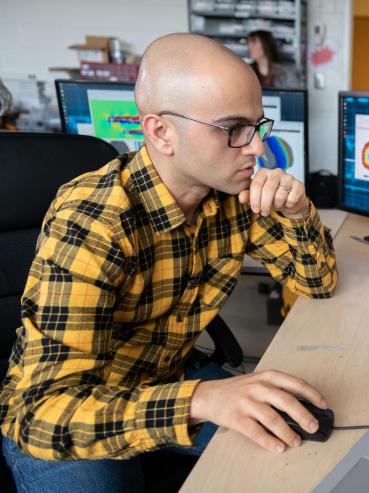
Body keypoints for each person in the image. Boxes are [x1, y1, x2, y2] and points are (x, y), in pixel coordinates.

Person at [0, 33, 337, 492]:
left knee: (307, 447)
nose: (257, 149)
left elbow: (318, 283)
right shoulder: (94, 222)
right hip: (79, 413)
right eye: (233, 128)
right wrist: (200, 398)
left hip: (170, 376)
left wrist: (299, 215)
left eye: (258, 127)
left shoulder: (232, 195)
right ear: (161, 132)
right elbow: (40, 415)